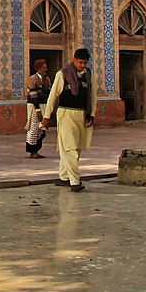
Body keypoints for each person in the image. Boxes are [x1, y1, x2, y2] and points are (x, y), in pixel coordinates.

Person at [41, 47, 96, 192]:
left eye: (85, 63)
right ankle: (74, 181)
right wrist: (47, 117)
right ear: (74, 60)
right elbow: (53, 95)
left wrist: (92, 114)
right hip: (66, 114)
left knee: (77, 147)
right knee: (69, 147)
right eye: (80, 62)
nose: (82, 65)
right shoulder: (63, 74)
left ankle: (63, 177)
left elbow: (92, 96)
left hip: (81, 114)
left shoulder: (88, 74)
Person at [25, 59, 51, 158]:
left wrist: (40, 87)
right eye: (44, 68)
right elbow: (33, 95)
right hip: (34, 106)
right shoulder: (32, 79)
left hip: (43, 105)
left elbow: (49, 91)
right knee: (34, 129)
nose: (46, 69)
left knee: (41, 129)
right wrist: (37, 110)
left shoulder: (46, 79)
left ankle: (37, 150)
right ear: (38, 69)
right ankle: (32, 151)